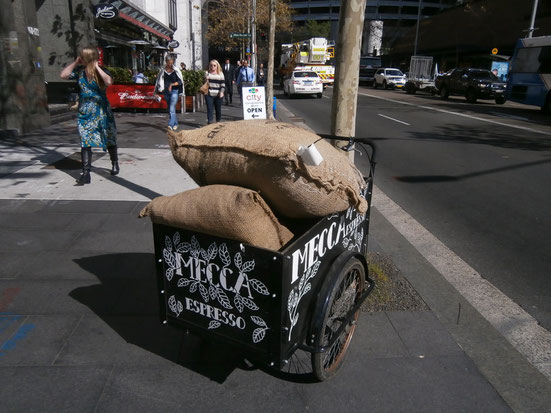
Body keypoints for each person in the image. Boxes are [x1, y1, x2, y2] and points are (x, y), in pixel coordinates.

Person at [60, 46, 118, 185]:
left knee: (109, 137)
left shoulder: (102, 71)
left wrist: (97, 67)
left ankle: (114, 162)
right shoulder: (79, 72)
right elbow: (63, 75)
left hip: (102, 111)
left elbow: (108, 82)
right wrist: (75, 62)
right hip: (85, 112)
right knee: (85, 141)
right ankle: (86, 173)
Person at [155, 56, 184, 130]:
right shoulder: (162, 70)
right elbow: (158, 81)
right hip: (166, 92)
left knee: (171, 108)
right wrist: (157, 92)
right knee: (170, 109)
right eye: (169, 63)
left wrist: (172, 84)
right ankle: (175, 123)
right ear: (166, 62)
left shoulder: (176, 70)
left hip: (174, 91)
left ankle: (170, 125)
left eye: (172, 62)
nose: (170, 64)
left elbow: (180, 82)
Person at [205, 59, 225, 124]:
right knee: (210, 108)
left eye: (214, 65)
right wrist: (206, 79)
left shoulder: (220, 74)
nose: (212, 67)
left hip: (218, 94)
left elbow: (223, 84)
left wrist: (221, 92)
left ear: (217, 66)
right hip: (209, 93)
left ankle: (218, 121)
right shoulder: (207, 73)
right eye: (211, 65)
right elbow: (204, 84)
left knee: (218, 109)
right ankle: (210, 122)